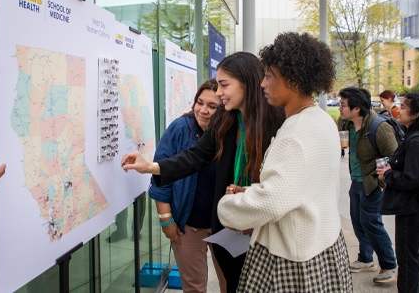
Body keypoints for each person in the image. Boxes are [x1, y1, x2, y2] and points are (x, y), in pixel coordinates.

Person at [121, 52, 285, 292]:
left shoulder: (277, 120)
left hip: (262, 227)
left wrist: (250, 193)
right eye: (217, 85)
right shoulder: (226, 118)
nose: (218, 93)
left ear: (247, 82)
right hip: (228, 227)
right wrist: (151, 167)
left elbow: (281, 182)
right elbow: (196, 156)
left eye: (224, 85)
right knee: (230, 283)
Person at [218, 32, 353, 292]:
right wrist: (253, 190)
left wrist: (228, 206)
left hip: (291, 259)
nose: (263, 84)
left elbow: (272, 202)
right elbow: (298, 186)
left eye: (269, 76)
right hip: (324, 247)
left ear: (292, 79)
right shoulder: (322, 120)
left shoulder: (295, 132)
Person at [148, 78, 225, 292]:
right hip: (189, 226)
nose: (203, 110)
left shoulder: (233, 132)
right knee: (194, 287)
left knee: (230, 283)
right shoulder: (180, 128)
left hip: (226, 226)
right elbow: (161, 178)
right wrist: (166, 220)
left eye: (212, 106)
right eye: (199, 102)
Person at [377, 93, 419, 292]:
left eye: (404, 106)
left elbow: (414, 178)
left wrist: (388, 174)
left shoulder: (417, 140)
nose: (399, 108)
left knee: (408, 258)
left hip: (416, 208)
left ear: (416, 114)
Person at [338, 86, 398, 283]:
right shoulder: (347, 124)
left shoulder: (379, 127)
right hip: (356, 181)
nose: (340, 108)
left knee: (371, 223)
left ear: (356, 109)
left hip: (372, 183)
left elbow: (393, 157)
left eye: (343, 105)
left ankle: (389, 264)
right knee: (358, 222)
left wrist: (381, 180)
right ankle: (365, 259)